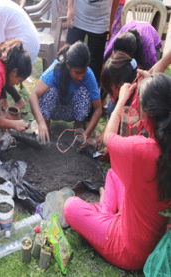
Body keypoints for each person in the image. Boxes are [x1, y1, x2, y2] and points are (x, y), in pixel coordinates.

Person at [64, 73, 171, 270]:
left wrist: (121, 99)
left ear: (146, 115)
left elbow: (108, 137)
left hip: (129, 250)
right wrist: (154, 81)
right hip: (154, 238)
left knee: (70, 206)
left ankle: (104, 214)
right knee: (114, 174)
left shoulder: (141, 150)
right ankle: (106, 213)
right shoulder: (160, 150)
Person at [29, 42, 102, 149]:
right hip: (55, 110)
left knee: (83, 94)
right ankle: (46, 130)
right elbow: (33, 96)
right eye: (77, 72)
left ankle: (77, 132)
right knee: (50, 92)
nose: (81, 77)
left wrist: (86, 134)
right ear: (68, 64)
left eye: (83, 72)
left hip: (70, 112)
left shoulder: (88, 75)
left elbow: (98, 109)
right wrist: (40, 122)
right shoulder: (56, 69)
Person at [66, 0, 120, 85]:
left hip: (100, 21)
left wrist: (110, 23)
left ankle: (90, 95)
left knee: (95, 67)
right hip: (78, 16)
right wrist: (70, 7)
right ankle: (65, 90)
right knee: (70, 57)